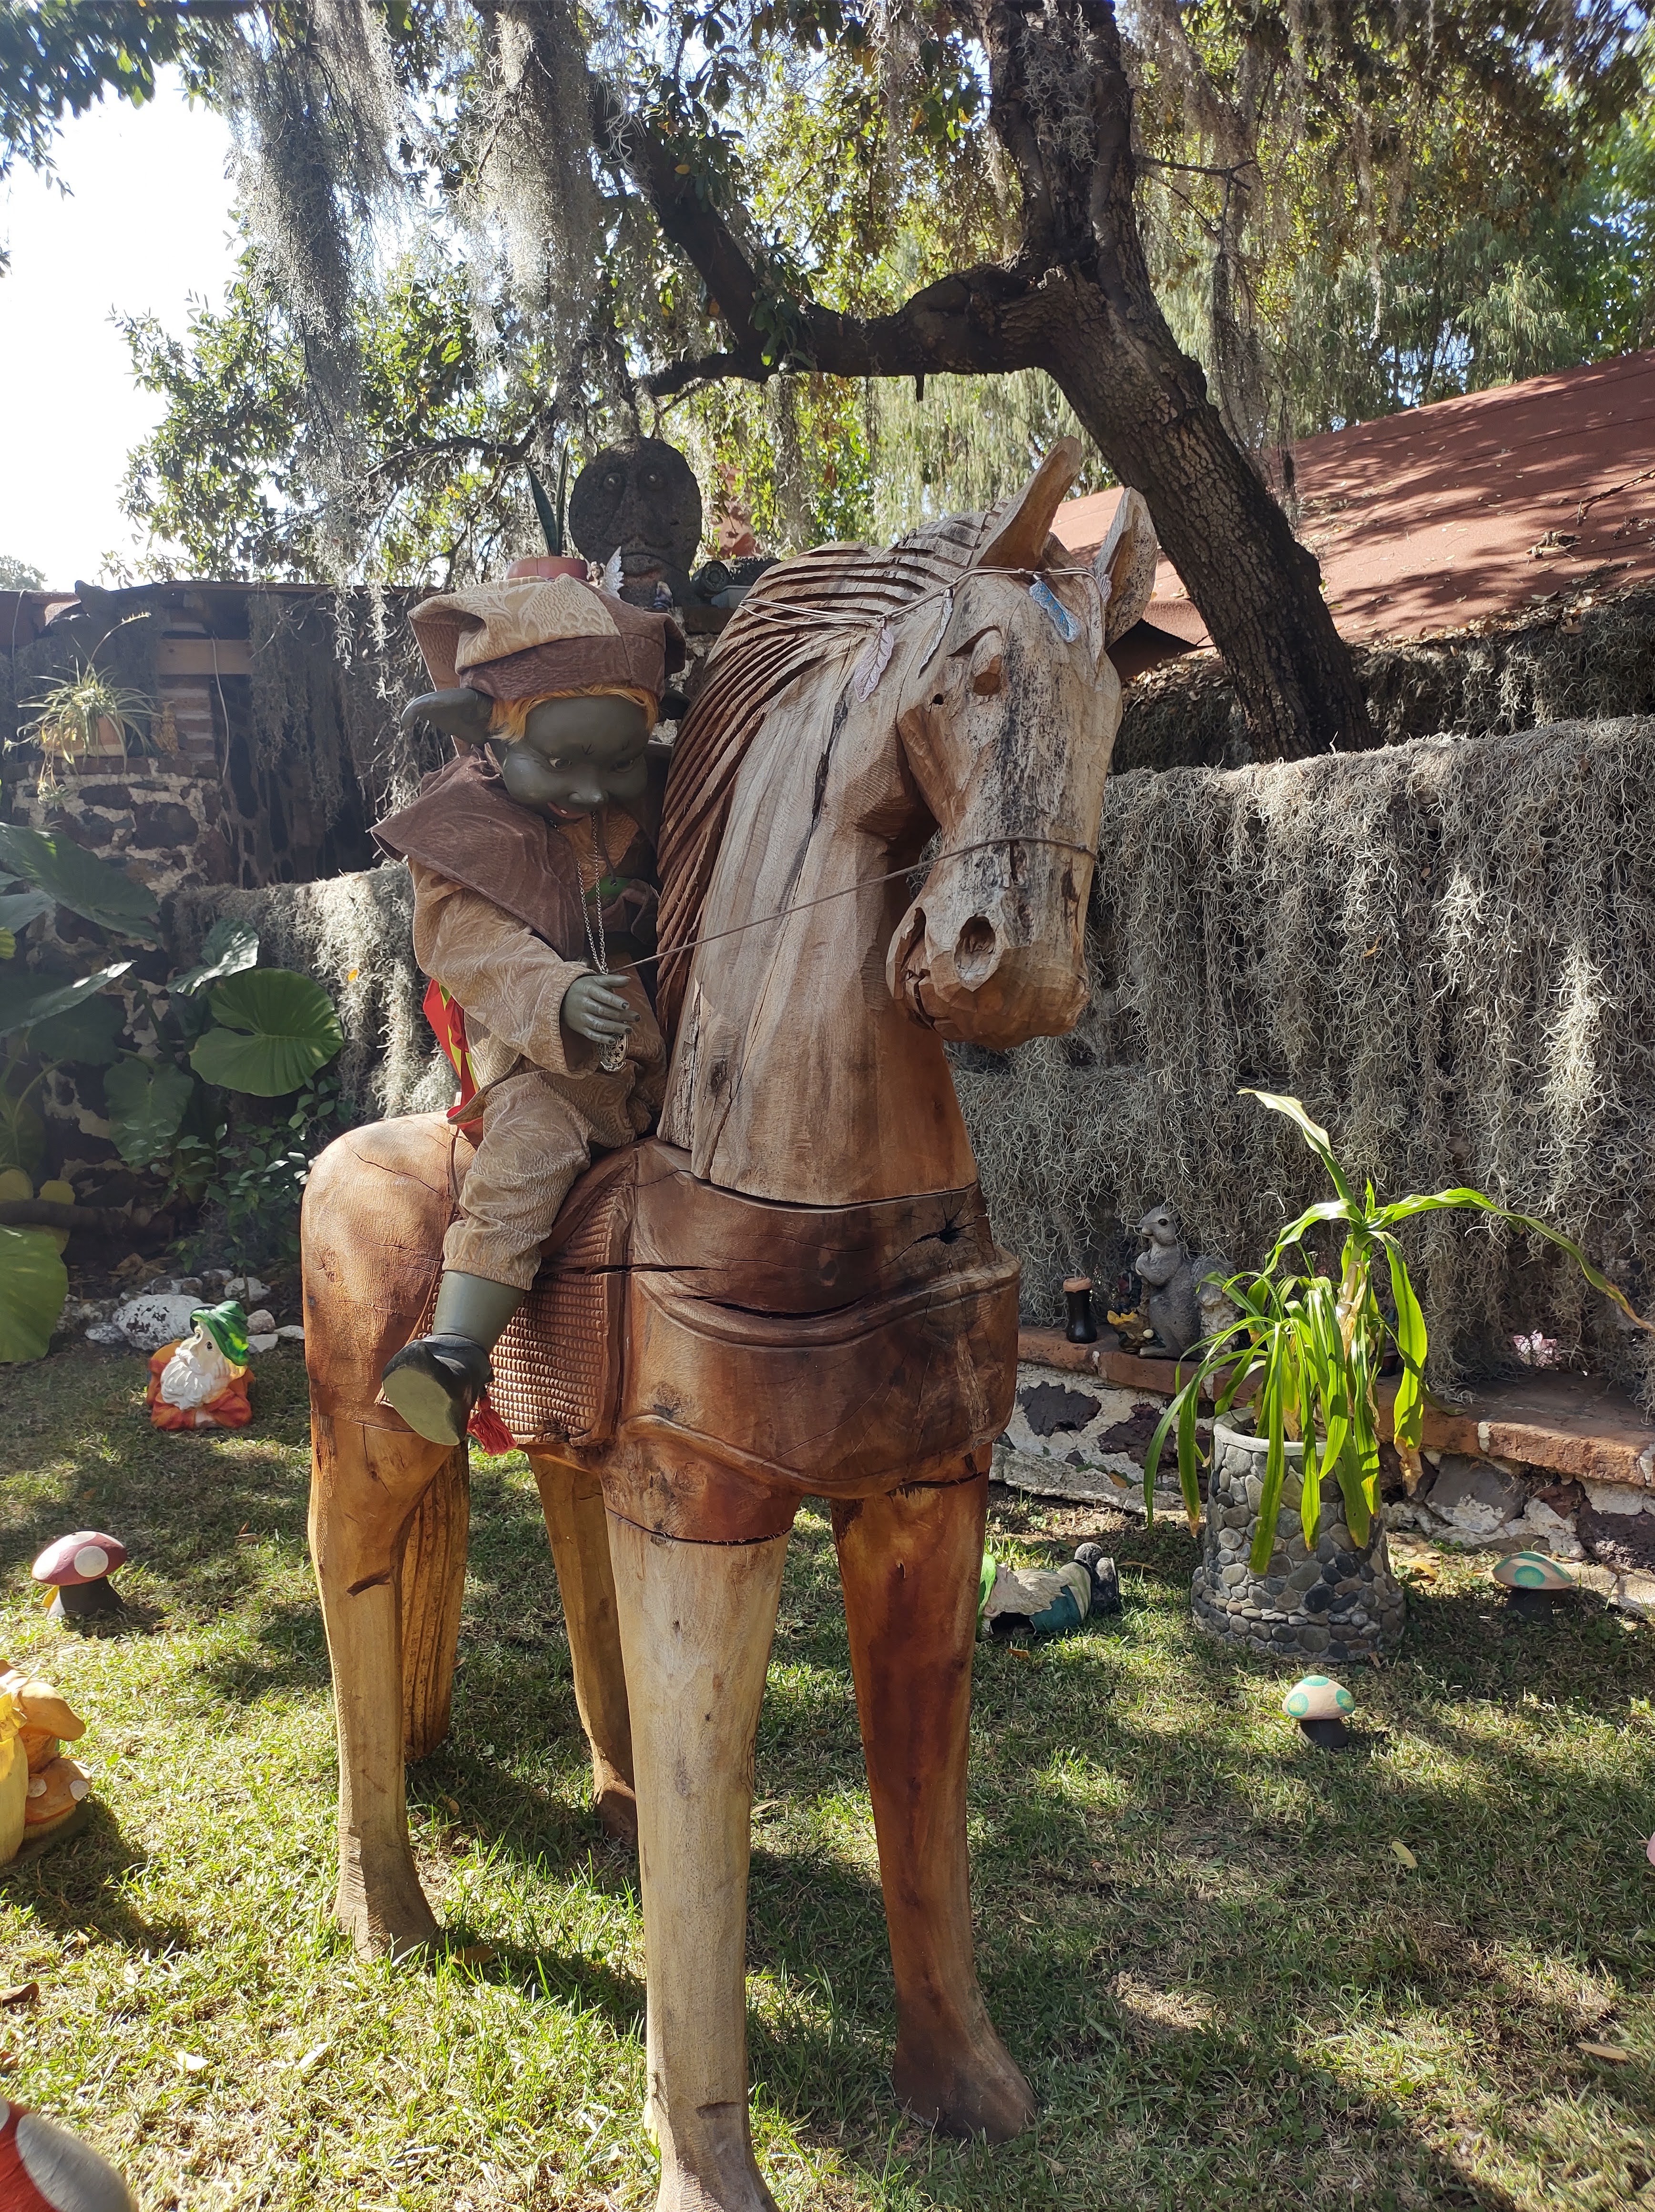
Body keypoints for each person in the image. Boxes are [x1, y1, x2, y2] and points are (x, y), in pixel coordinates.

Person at [372, 572, 684, 1444]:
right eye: (560, 764)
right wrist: (555, 993)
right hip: (541, 1057)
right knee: (535, 1146)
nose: (592, 791)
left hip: (667, 1033)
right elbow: (466, 939)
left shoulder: (660, 794)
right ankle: (456, 1349)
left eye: (617, 763)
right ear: (490, 734)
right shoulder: (457, 828)